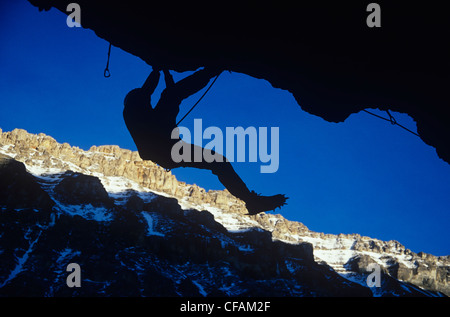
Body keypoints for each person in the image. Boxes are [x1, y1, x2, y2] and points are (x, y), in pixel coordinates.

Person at [123, 67, 287, 214]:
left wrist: (160, 72)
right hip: (168, 149)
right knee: (172, 95)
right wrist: (159, 71)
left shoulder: (135, 111)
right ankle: (250, 200)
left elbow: (151, 91)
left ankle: (250, 200)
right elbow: (151, 90)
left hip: (166, 151)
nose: (147, 98)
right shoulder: (140, 112)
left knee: (217, 161)